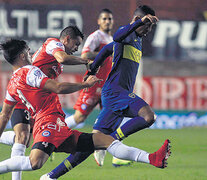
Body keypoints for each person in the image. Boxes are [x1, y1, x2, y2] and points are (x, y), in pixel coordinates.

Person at [0, 39, 170, 179]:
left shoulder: (12, 84)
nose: (31, 55)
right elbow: (57, 87)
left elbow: (5, 115)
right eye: (28, 52)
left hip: (56, 124)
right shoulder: (29, 72)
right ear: (22, 56)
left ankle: (152, 158)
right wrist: (85, 84)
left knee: (105, 141)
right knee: (34, 162)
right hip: (48, 122)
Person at [40, 5, 170, 180]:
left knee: (89, 145)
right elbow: (118, 36)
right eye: (147, 26)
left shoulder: (136, 39)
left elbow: (107, 49)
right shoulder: (128, 33)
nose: (149, 30)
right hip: (116, 92)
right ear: (138, 21)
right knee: (149, 116)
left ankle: (50, 176)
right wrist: (139, 22)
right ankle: (113, 141)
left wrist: (92, 69)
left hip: (115, 95)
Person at [0, 25, 89, 180]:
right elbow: (62, 61)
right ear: (67, 39)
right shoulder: (54, 45)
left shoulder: (49, 61)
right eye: (76, 44)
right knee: (22, 138)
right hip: (28, 94)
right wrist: (86, 61)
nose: (76, 48)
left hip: (34, 97)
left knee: (24, 138)